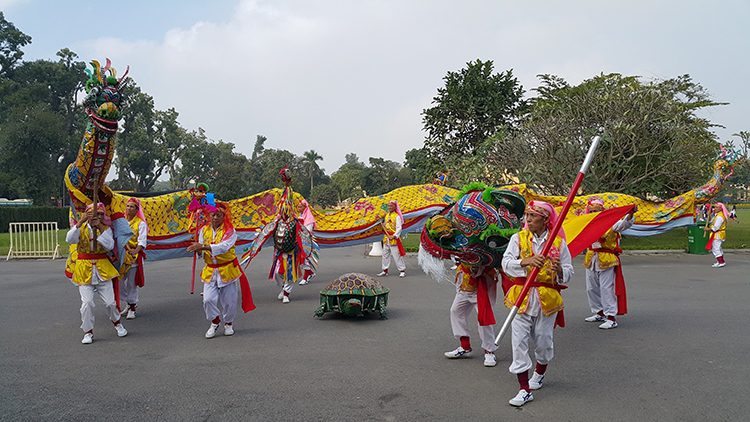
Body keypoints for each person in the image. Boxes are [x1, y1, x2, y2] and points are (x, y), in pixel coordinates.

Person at [501, 200, 573, 407]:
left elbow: (569, 273)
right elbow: (505, 264)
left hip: (547, 300)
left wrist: (559, 270)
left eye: (533, 216)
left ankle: (539, 374)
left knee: (543, 341)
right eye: (527, 216)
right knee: (519, 342)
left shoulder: (558, 243)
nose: (528, 220)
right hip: (522, 298)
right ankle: (523, 389)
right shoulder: (518, 238)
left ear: (545, 219)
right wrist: (526, 262)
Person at [187, 202, 255, 338]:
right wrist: (198, 251)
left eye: (219, 215)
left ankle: (228, 323)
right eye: (213, 215)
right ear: (209, 215)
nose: (215, 218)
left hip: (227, 269)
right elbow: (201, 250)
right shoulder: (203, 230)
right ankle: (215, 321)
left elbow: (223, 247)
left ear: (224, 216)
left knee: (229, 300)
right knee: (208, 300)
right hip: (210, 270)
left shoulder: (230, 231)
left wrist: (202, 246)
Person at [66, 203, 128, 344]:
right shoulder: (80, 228)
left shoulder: (106, 229)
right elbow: (70, 239)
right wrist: (81, 221)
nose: (98, 216)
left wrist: (100, 228)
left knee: (110, 303)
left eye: (101, 214)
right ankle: (88, 332)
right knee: (87, 303)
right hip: (84, 270)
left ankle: (117, 323)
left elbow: (110, 246)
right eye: (95, 214)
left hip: (103, 269)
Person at [582, 199, 636, 329]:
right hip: (591, 258)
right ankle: (599, 312)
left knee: (606, 288)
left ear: (602, 211)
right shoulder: (587, 223)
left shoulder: (611, 223)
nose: (594, 213)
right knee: (591, 288)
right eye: (591, 211)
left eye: (596, 211)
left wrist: (630, 215)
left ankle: (611, 317)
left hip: (607, 258)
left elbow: (624, 225)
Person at [444, 263, 499, 367]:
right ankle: (465, 347)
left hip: (482, 286)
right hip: (465, 285)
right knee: (456, 311)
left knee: (483, 318)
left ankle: (489, 351)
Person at [119, 197, 148, 319]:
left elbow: (142, 240)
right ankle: (127, 302)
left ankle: (132, 306)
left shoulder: (140, 223)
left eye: (132, 206)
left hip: (133, 257)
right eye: (128, 206)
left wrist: (135, 251)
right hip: (121, 256)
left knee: (131, 282)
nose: (129, 208)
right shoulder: (121, 222)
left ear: (137, 210)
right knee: (119, 281)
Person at [377, 200, 406, 278]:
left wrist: (394, 235)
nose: (389, 207)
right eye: (389, 206)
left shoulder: (397, 217)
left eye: (391, 206)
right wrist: (381, 225)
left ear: (394, 207)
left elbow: (399, 228)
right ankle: (385, 270)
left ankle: (402, 270)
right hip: (386, 238)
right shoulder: (386, 216)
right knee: (385, 255)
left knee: (397, 255)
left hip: (393, 239)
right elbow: (385, 226)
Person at [296, 199, 317, 285]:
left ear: (305, 207)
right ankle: (310, 274)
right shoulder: (300, 216)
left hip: (306, 241)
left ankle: (305, 278)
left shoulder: (309, 218)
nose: (299, 208)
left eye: (301, 207)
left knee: (306, 259)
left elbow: (307, 231)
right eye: (298, 207)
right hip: (300, 240)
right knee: (302, 259)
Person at [704, 202, 729, 268]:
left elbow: (716, 227)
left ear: (721, 208)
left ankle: (721, 262)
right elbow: (711, 221)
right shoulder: (718, 215)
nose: (714, 209)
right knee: (718, 248)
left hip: (718, 234)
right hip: (717, 234)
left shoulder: (720, 217)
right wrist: (709, 215)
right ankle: (721, 261)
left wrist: (708, 229)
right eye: (714, 207)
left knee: (716, 248)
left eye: (716, 207)